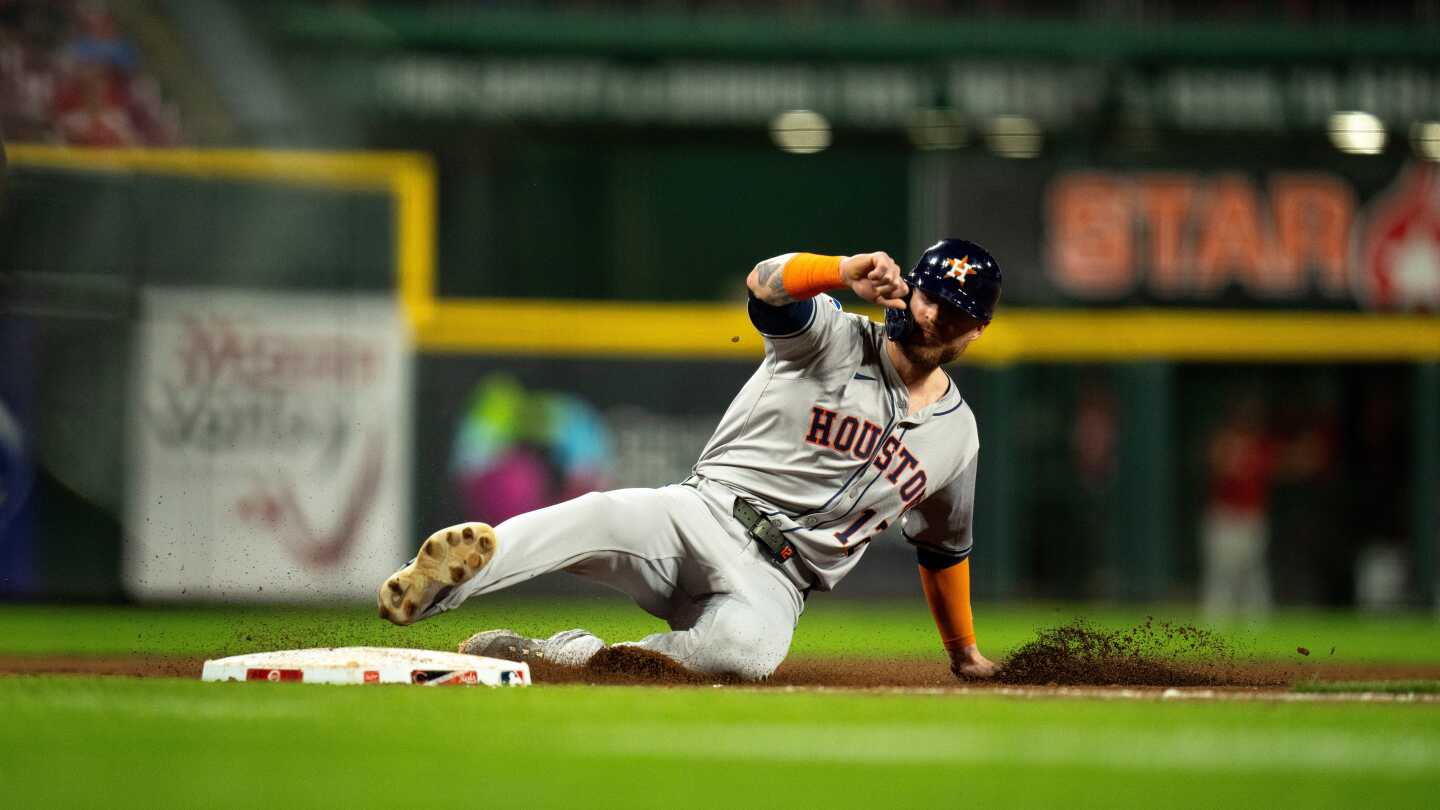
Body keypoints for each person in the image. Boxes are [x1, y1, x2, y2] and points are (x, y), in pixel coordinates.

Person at [378, 240, 1003, 681]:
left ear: (976, 330)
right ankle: (437, 583)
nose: (926, 314)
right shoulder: (836, 335)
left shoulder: (958, 438)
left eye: (949, 311)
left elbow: (945, 549)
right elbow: (764, 285)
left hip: (780, 583)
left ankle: (573, 656)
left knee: (742, 653)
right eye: (925, 295)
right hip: (703, 511)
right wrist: (839, 270)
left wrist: (964, 651)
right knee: (597, 517)